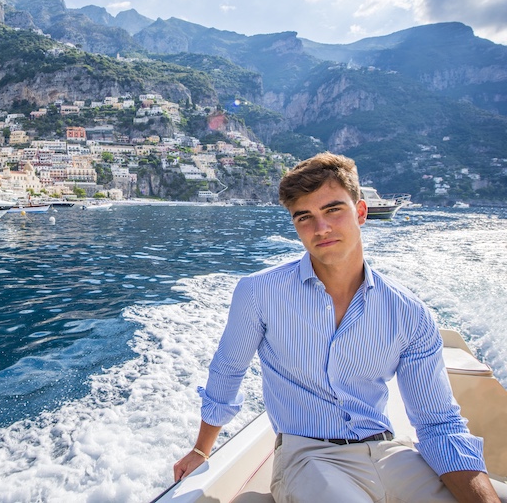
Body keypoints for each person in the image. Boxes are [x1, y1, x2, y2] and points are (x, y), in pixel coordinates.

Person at [173, 152, 506, 502]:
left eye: (333, 210)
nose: (321, 228)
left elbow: (439, 424)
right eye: (305, 217)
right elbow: (228, 371)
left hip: (391, 454)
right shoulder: (259, 293)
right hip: (309, 457)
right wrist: (202, 450)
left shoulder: (409, 312)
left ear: (360, 212)